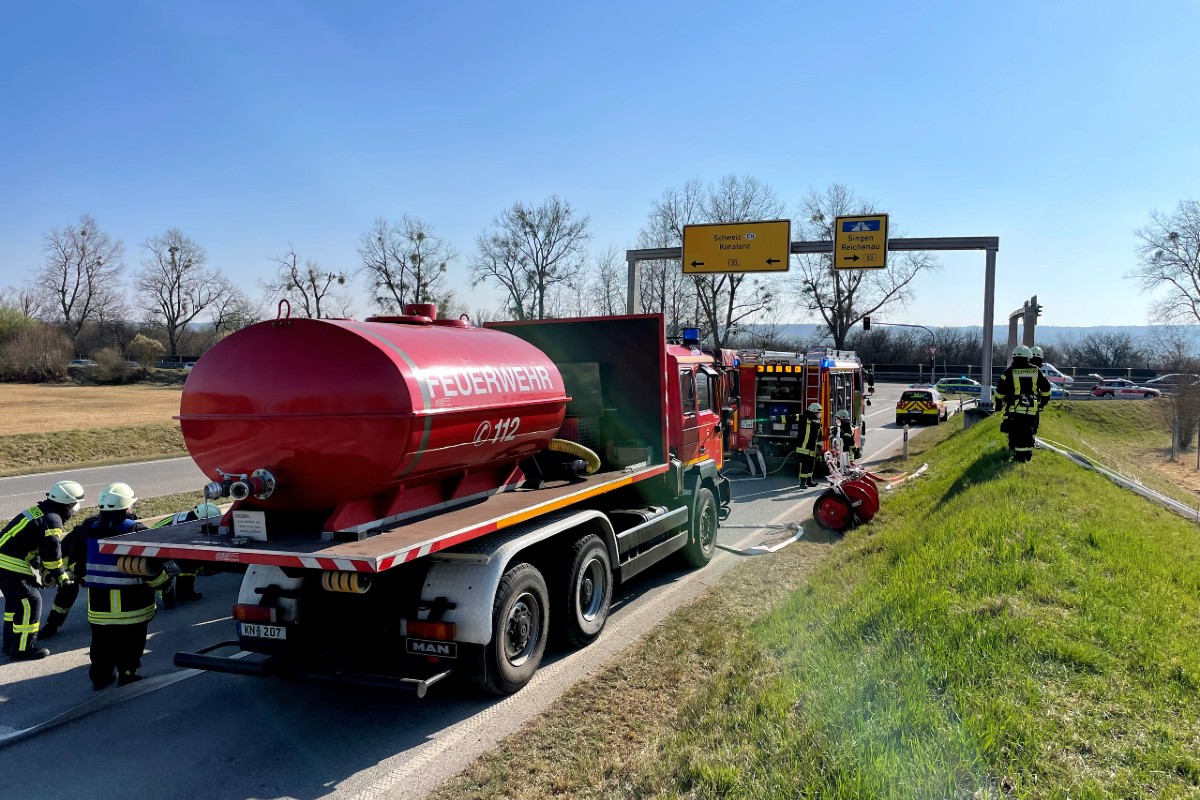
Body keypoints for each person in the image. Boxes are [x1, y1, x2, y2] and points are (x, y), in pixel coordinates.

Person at [79, 483, 169, 689]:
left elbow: (75, 558)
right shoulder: (135, 530)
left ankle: (100, 678)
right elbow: (151, 566)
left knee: (101, 643)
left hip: (99, 605)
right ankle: (127, 675)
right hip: (133, 605)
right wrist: (165, 584)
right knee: (131, 643)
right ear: (128, 507)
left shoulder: (87, 528)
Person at [1, 480, 85, 660]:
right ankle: (22, 649)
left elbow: (30, 543)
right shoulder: (53, 521)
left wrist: (40, 566)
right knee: (31, 601)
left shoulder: (39, 512)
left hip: (5, 559)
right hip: (9, 563)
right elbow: (52, 554)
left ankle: (9, 644)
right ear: (68, 503)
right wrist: (60, 575)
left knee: (15, 604)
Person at [152, 502, 221, 607]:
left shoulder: (191, 518)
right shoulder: (188, 526)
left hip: (165, 542)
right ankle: (167, 598)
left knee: (191, 562)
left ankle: (184, 592)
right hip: (154, 546)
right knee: (171, 568)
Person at [994, 345, 1052, 462]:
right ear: (1028, 357)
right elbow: (1046, 389)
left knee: (1018, 431)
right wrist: (1042, 403)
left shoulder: (1009, 371)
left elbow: (999, 390)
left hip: (1016, 408)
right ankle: (1027, 454)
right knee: (1029, 431)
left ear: (1014, 357)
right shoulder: (1036, 370)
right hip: (1032, 408)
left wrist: (998, 405)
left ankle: (1020, 457)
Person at [796, 403, 823, 488]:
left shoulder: (818, 423)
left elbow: (820, 437)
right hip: (803, 449)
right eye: (818, 412)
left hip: (812, 450)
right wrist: (776, 418)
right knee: (805, 465)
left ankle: (809, 481)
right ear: (813, 412)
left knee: (811, 465)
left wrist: (819, 447)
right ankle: (802, 483)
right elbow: (790, 418)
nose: (819, 414)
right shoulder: (803, 418)